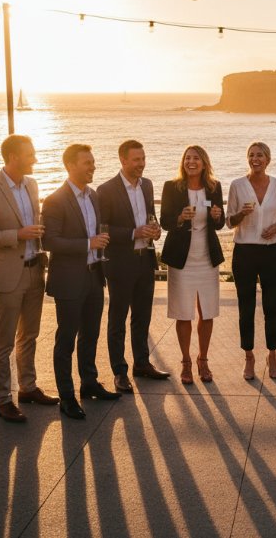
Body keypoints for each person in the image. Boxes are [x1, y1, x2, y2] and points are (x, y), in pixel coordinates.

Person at [0, 134, 58, 423]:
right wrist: (17, 236)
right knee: (4, 340)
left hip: (35, 270)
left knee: (30, 335)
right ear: (13, 158)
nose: (35, 158)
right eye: (30, 154)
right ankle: (3, 399)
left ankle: (28, 387)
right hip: (7, 275)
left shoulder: (32, 184)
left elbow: (35, 221)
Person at [43, 144, 121, 420]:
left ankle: (89, 383)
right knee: (66, 339)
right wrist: (88, 244)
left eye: (93, 162)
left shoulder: (94, 196)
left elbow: (100, 229)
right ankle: (67, 397)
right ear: (70, 165)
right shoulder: (55, 200)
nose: (93, 167)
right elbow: (49, 241)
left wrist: (98, 246)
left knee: (90, 334)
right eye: (87, 162)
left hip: (94, 275)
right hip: (69, 280)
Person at [95, 139, 169, 392]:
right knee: (117, 319)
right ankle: (119, 372)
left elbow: (150, 215)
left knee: (142, 317)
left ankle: (142, 363)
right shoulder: (105, 190)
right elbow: (101, 229)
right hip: (120, 263)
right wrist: (133, 232)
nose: (141, 164)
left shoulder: (147, 185)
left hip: (145, 260)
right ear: (123, 160)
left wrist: (155, 230)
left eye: (143, 158)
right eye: (136, 160)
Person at [161, 145, 225, 384]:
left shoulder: (214, 186)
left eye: (196, 158)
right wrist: (180, 218)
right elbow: (165, 221)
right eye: (187, 158)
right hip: (181, 259)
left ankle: (203, 360)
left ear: (204, 162)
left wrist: (218, 216)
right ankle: (186, 362)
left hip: (207, 258)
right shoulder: (172, 187)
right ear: (183, 162)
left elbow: (219, 224)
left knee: (207, 311)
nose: (191, 162)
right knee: (183, 312)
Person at [226, 142, 276, 380]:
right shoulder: (237, 185)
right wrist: (242, 213)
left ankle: (272, 355)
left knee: (272, 307)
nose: (255, 159)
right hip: (244, 252)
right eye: (251, 155)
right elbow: (229, 221)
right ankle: (249, 356)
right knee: (246, 307)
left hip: (272, 251)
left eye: (259, 155)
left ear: (268, 159)